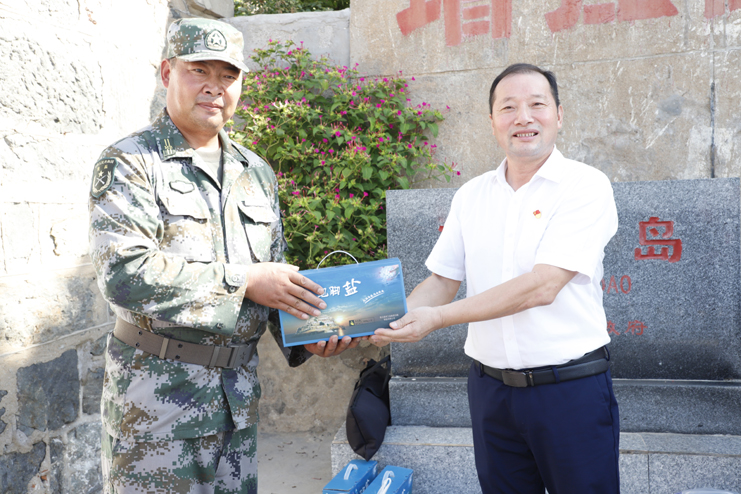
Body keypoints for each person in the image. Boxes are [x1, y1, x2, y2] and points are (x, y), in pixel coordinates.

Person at [89, 18, 357, 494]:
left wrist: (309, 336)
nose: (215, 87)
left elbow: (274, 278)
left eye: (228, 76)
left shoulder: (255, 172)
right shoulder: (131, 161)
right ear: (167, 73)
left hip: (236, 402)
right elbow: (124, 273)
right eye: (200, 71)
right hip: (156, 407)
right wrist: (244, 281)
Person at [372, 64, 620, 494]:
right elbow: (441, 282)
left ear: (558, 114)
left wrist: (438, 318)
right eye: (508, 107)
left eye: (537, 104)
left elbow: (543, 285)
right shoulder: (472, 195)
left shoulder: (585, 186)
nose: (523, 117)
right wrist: (374, 322)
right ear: (492, 122)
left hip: (569, 391)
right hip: (491, 393)